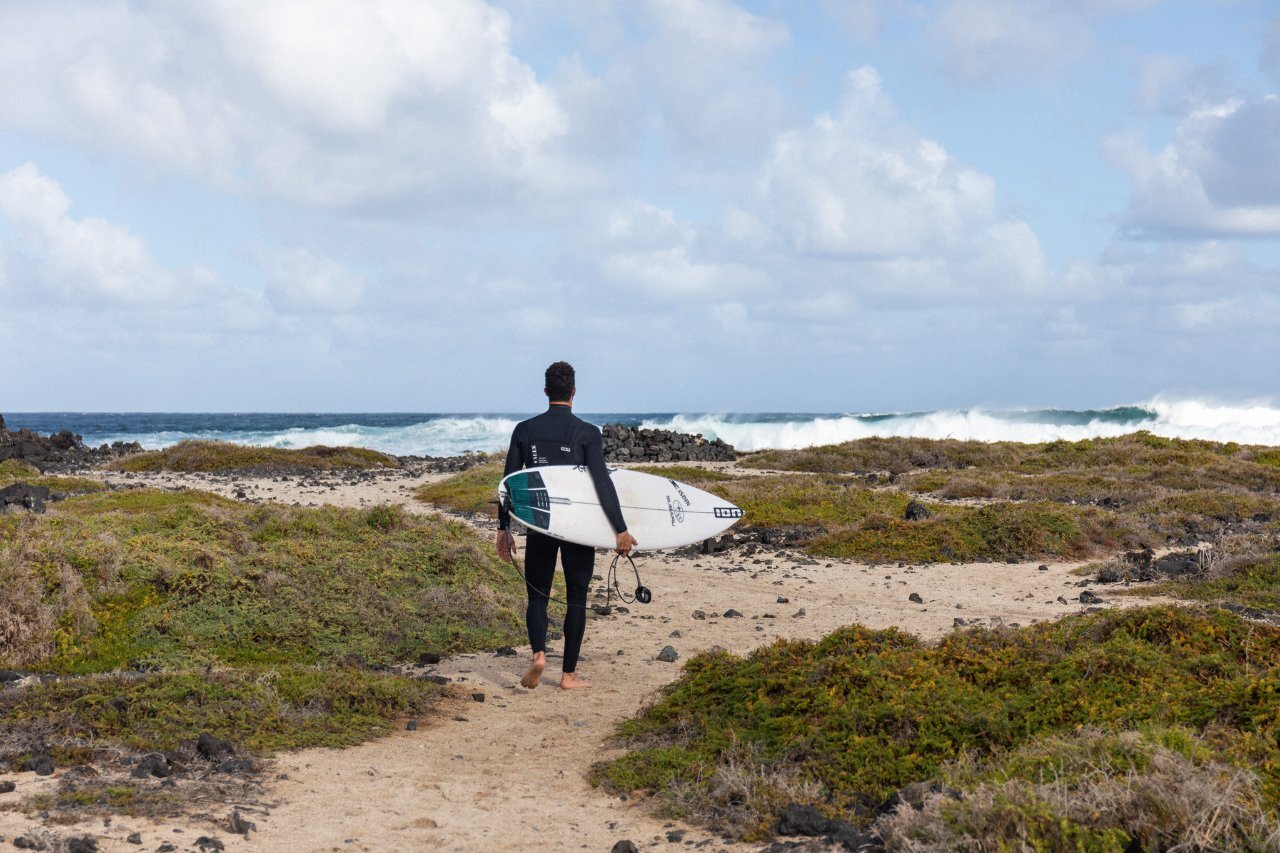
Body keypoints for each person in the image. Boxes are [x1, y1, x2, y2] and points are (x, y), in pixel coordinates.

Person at [496, 361, 637, 690]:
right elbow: (603, 484)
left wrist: (504, 529)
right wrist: (620, 529)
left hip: (541, 525)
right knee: (576, 597)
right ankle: (568, 675)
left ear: (546, 392)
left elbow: (510, 485)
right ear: (573, 392)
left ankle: (538, 656)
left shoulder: (524, 430)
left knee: (537, 596)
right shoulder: (587, 433)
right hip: (576, 527)